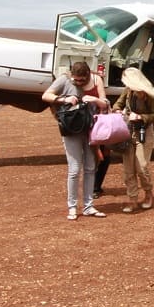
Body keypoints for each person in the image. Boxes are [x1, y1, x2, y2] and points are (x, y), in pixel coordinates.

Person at [42, 61, 110, 220]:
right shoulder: (64, 79)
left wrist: (93, 99)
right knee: (74, 169)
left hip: (90, 128)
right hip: (71, 129)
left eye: (82, 80)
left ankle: (88, 206)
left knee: (90, 167)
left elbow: (105, 103)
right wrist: (64, 99)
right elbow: (46, 95)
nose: (78, 83)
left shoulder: (96, 79)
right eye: (76, 80)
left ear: (88, 75)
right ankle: (72, 207)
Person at [113, 65, 154, 212]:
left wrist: (141, 117)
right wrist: (119, 111)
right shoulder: (128, 91)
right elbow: (117, 104)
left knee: (141, 167)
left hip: (144, 132)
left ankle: (148, 193)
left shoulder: (150, 94)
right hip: (128, 131)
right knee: (128, 169)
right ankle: (132, 199)